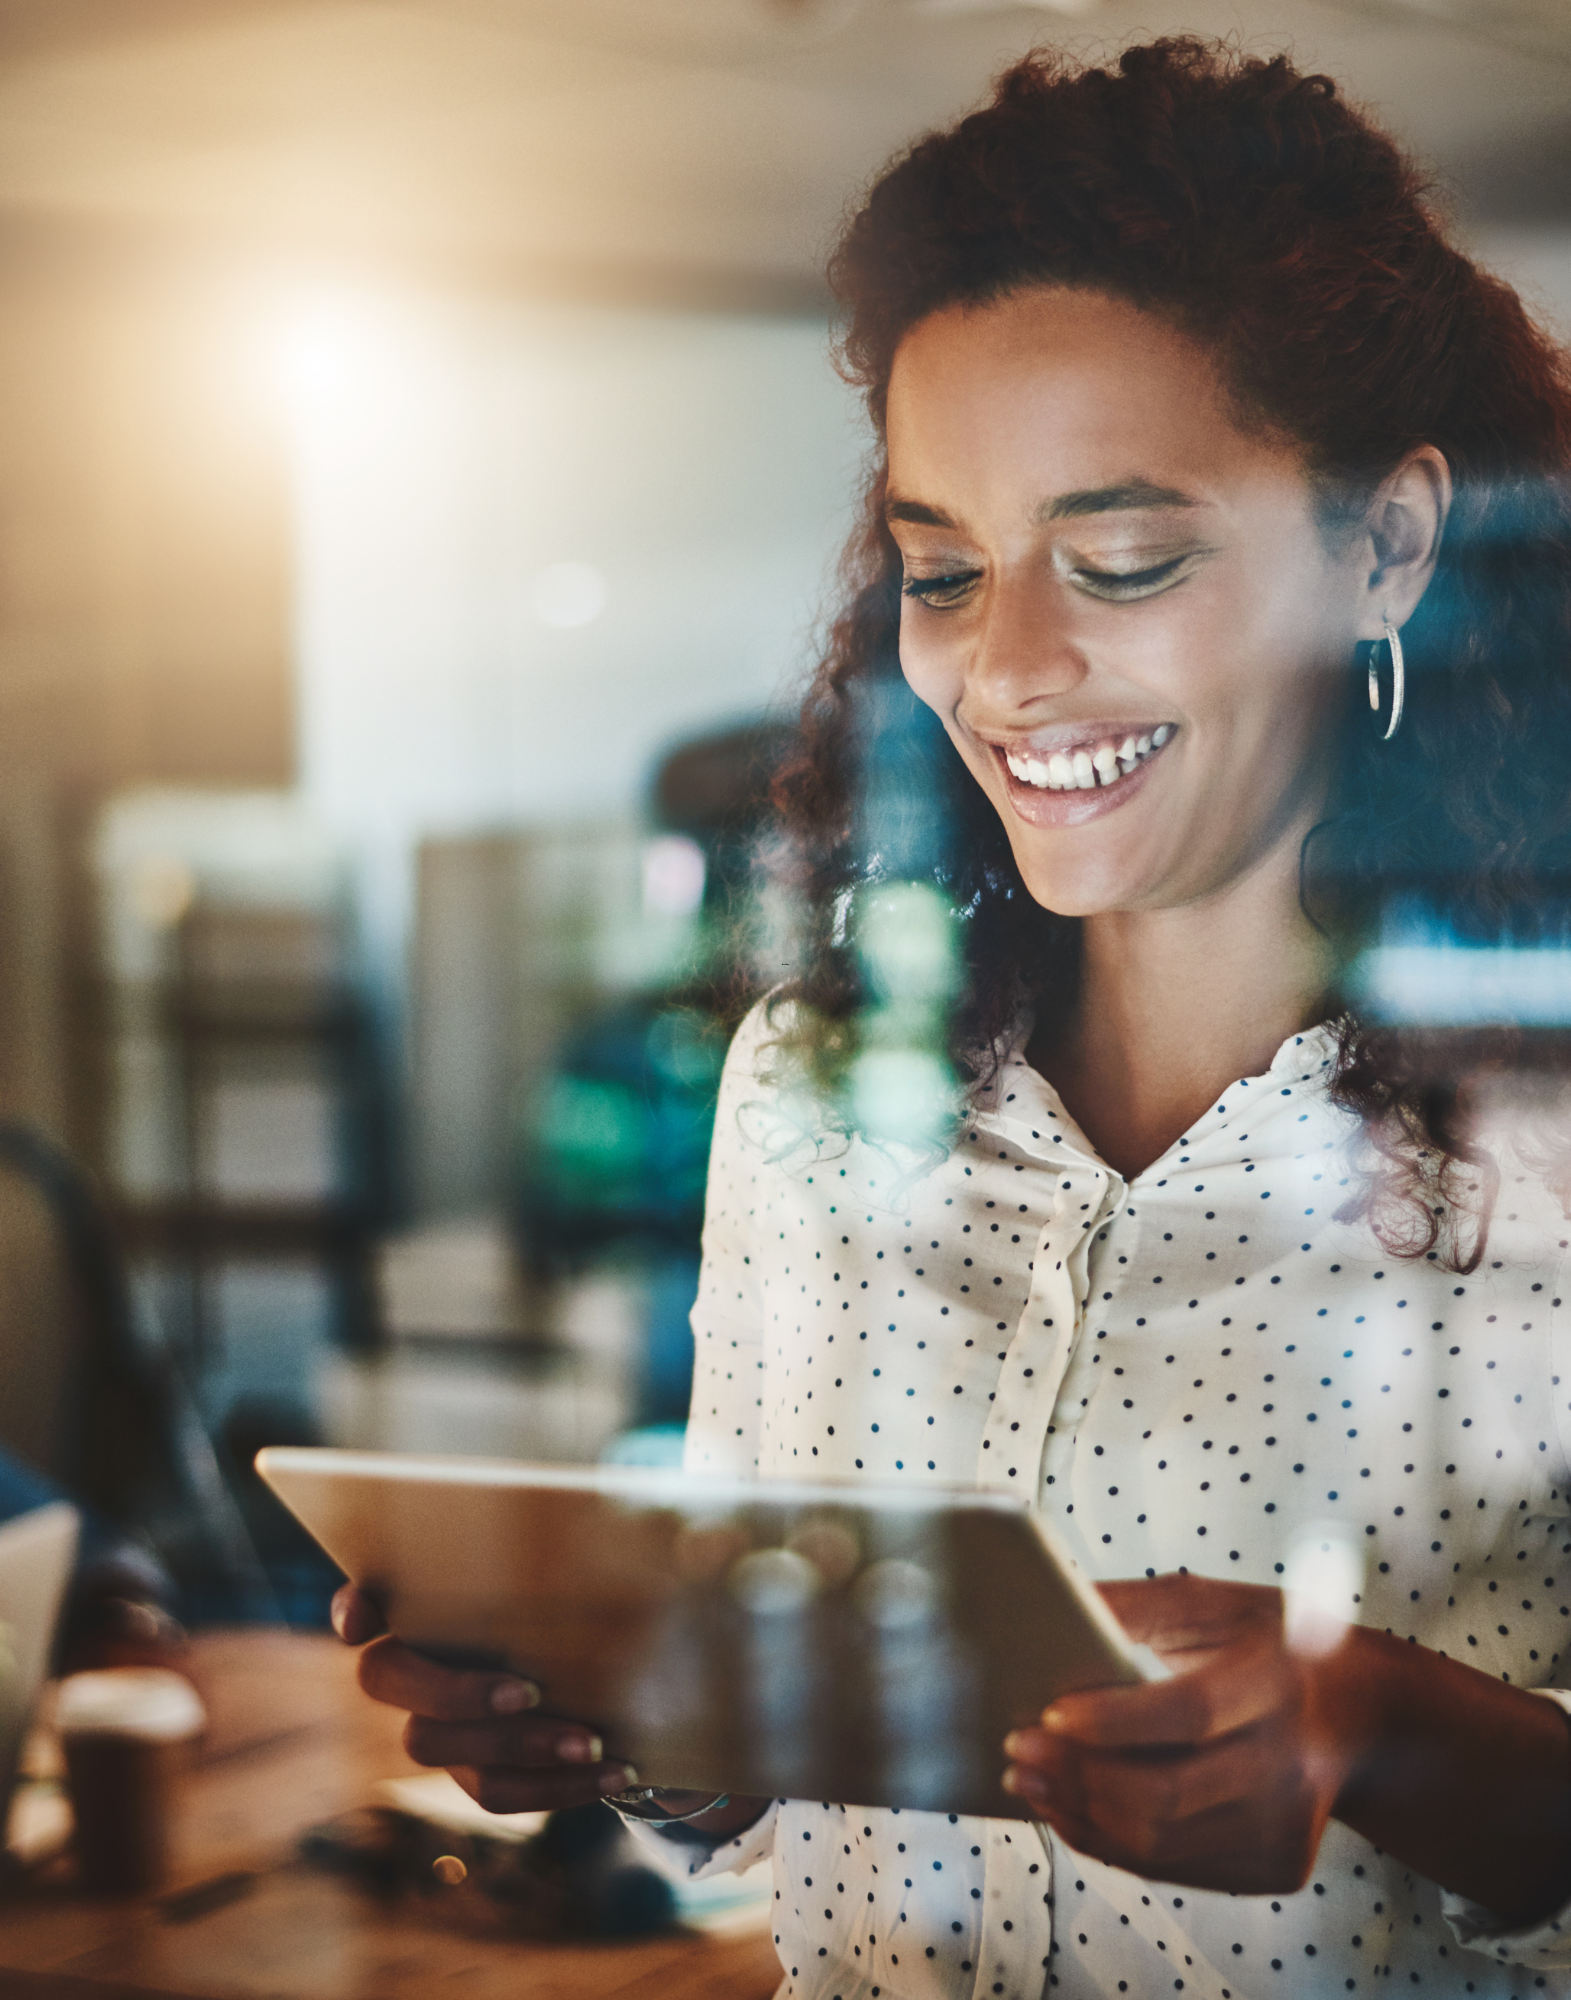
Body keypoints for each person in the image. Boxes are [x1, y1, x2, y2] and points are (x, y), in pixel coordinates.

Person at [333, 38, 1571, 1996]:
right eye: (940, 567)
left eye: (1125, 557)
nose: (1003, 668)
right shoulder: (813, 1100)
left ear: (1387, 548)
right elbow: (762, 1747)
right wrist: (619, 1726)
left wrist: (1387, 1730)